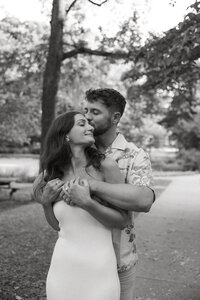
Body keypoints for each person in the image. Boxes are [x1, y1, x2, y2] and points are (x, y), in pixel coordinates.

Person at [33, 88, 155, 300]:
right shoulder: (65, 160)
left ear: (115, 117)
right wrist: (46, 201)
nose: (88, 118)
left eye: (95, 112)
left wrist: (89, 190)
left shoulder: (133, 156)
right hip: (67, 265)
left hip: (118, 261)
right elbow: (41, 195)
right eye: (85, 112)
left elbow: (143, 201)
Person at [39, 110, 130, 300]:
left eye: (89, 123)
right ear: (65, 135)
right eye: (82, 124)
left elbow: (123, 221)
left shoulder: (106, 166)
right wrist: (46, 204)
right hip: (62, 269)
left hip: (99, 271)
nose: (90, 127)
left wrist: (87, 203)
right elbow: (58, 226)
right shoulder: (52, 173)